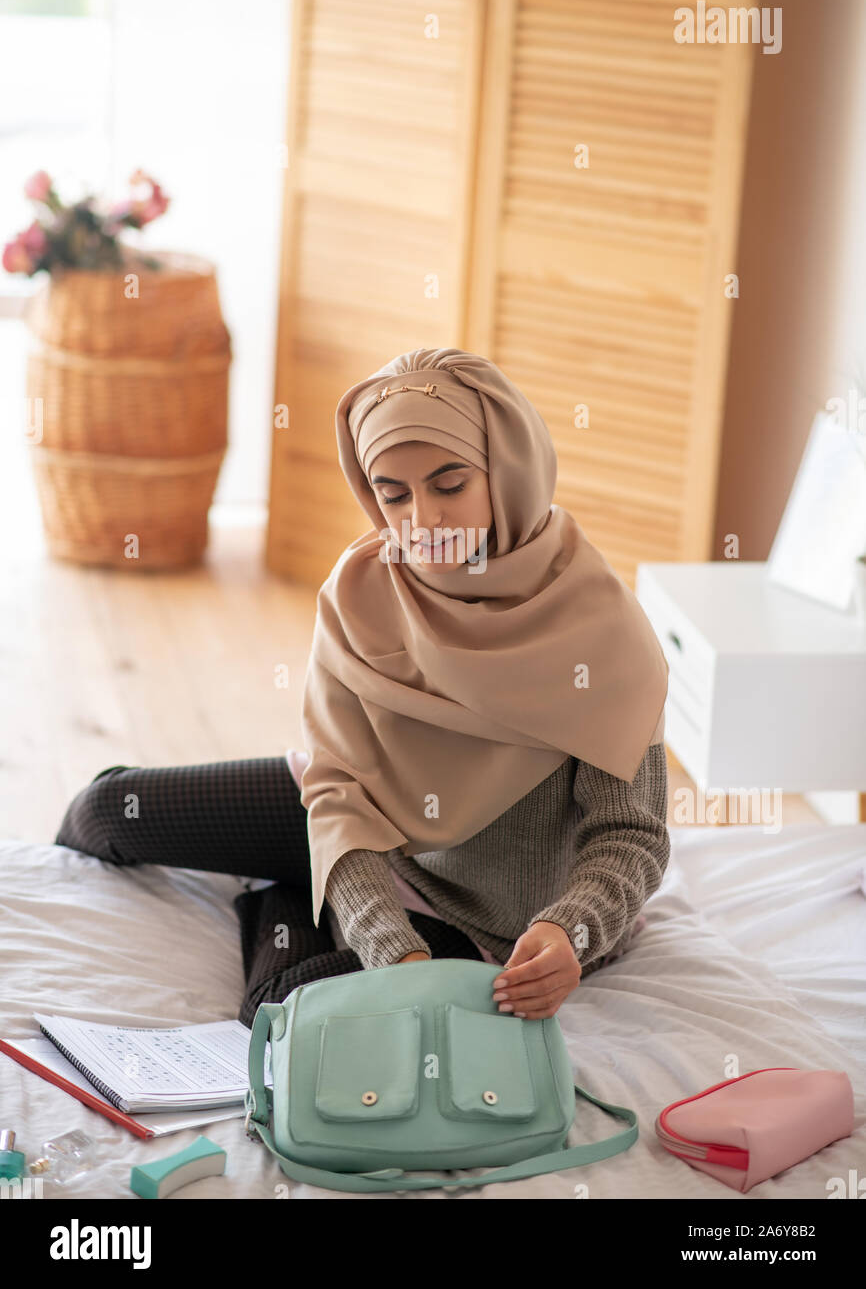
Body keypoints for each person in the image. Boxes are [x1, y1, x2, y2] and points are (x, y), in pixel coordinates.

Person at [56, 346, 670, 1030]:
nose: (422, 522)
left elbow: (630, 835)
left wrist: (571, 932)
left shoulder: (601, 627)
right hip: (359, 832)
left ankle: (289, 894)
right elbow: (338, 793)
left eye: (449, 484)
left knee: (289, 1008)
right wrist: (389, 948)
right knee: (106, 812)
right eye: (393, 493)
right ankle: (306, 883)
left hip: (490, 913)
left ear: (508, 470)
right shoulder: (362, 588)